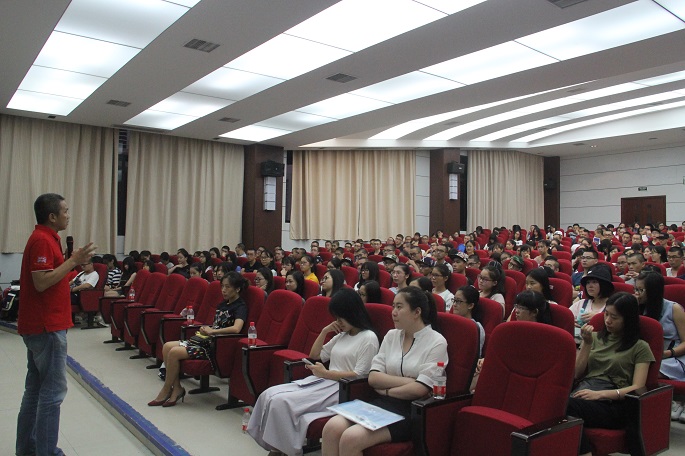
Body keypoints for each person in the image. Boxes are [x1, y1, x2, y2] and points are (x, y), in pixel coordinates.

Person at [247, 288, 379, 456]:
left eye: (341, 317)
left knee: (282, 402)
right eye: (336, 318)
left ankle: (282, 450)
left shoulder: (368, 338)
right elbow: (315, 355)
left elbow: (360, 375)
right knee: (268, 394)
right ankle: (277, 448)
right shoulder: (343, 335)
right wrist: (324, 331)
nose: (338, 322)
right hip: (325, 381)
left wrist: (326, 374)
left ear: (352, 313)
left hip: (343, 389)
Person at [322, 286, 447, 455]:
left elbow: (419, 390)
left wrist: (387, 390)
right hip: (381, 402)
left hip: (411, 411)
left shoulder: (437, 342)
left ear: (417, 312)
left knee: (350, 438)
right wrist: (409, 381)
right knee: (331, 428)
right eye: (393, 306)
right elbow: (373, 378)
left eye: (399, 307)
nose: (393, 312)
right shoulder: (391, 335)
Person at [16, 193, 97, 456]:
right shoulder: (42, 240)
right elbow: (41, 282)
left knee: (35, 391)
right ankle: (46, 452)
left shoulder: (48, 238)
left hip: (42, 325)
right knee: (52, 394)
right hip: (46, 326)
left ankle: (28, 448)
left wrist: (73, 266)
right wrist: (72, 261)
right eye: (65, 211)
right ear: (52, 216)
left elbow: (53, 277)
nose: (68, 215)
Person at [566, 292, 655, 456]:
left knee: (566, 406)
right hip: (586, 392)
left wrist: (600, 394)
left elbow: (638, 387)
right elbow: (577, 373)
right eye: (606, 314)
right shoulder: (593, 338)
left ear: (628, 319)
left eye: (614, 317)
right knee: (555, 403)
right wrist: (587, 344)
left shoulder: (640, 347)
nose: (607, 320)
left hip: (615, 403)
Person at [148, 272, 249, 407]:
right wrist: (207, 329)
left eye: (227, 287)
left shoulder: (240, 306)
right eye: (222, 286)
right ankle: (177, 388)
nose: (223, 290)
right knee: (167, 346)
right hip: (205, 341)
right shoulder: (222, 304)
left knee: (174, 352)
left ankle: (166, 389)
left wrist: (213, 331)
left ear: (237, 289)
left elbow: (236, 328)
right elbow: (217, 325)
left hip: (215, 347)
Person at [633, 271, 685, 421]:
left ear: (653, 291)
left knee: (644, 371)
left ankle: (671, 402)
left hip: (673, 357)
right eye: (636, 289)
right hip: (646, 355)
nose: (637, 293)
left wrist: (667, 353)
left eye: (641, 290)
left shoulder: (674, 309)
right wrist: (632, 308)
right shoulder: (638, 306)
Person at [570, 264, 614, 330]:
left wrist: (599, 318)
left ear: (604, 284)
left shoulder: (613, 306)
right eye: (588, 282)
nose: (590, 286)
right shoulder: (580, 304)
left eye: (594, 282)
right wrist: (571, 322)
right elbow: (565, 318)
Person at [451, 285, 485, 356]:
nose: (454, 304)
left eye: (458, 301)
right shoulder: (450, 322)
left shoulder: (476, 327)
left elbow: (475, 355)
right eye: (454, 300)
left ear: (470, 305)